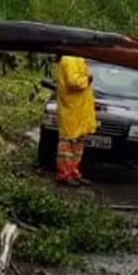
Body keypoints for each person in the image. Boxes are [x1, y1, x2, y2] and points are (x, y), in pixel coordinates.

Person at [54, 55, 96, 187]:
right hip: (72, 110)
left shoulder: (76, 58)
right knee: (67, 144)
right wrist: (88, 79)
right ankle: (64, 174)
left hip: (78, 110)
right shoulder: (69, 59)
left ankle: (73, 172)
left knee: (77, 145)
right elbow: (74, 82)